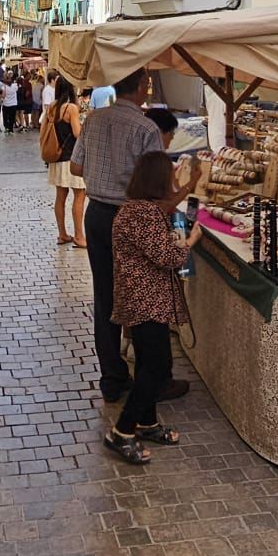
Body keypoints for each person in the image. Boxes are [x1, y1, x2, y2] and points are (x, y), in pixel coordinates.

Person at [73, 68, 194, 404]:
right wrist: (187, 187)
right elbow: (157, 186)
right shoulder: (145, 127)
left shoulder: (95, 119)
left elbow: (76, 167)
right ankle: (155, 379)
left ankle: (112, 377)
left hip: (97, 214)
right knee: (144, 298)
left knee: (106, 296)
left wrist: (105, 170)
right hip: (133, 215)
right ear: (142, 86)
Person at [103, 149, 200, 465]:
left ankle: (147, 422)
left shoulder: (138, 209)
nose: (174, 182)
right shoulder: (142, 216)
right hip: (145, 301)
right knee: (157, 367)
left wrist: (191, 186)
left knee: (147, 362)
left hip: (145, 300)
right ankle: (122, 430)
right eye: (171, 177)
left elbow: (167, 212)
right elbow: (169, 258)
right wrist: (191, 239)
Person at [46, 77, 87, 247]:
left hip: (56, 158)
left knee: (60, 197)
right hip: (72, 157)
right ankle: (79, 236)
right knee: (79, 195)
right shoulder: (71, 108)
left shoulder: (52, 107)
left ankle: (62, 234)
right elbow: (77, 133)